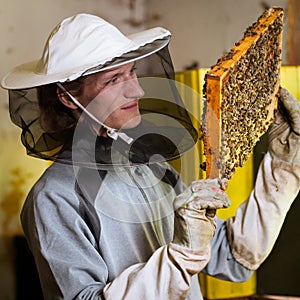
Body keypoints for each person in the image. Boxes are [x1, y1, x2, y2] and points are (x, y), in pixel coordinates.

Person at [1, 13, 300, 300]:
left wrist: (282, 169)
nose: (138, 90)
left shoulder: (150, 168)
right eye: (114, 80)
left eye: (131, 72)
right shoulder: (54, 198)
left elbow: (233, 258)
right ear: (67, 97)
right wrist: (180, 256)